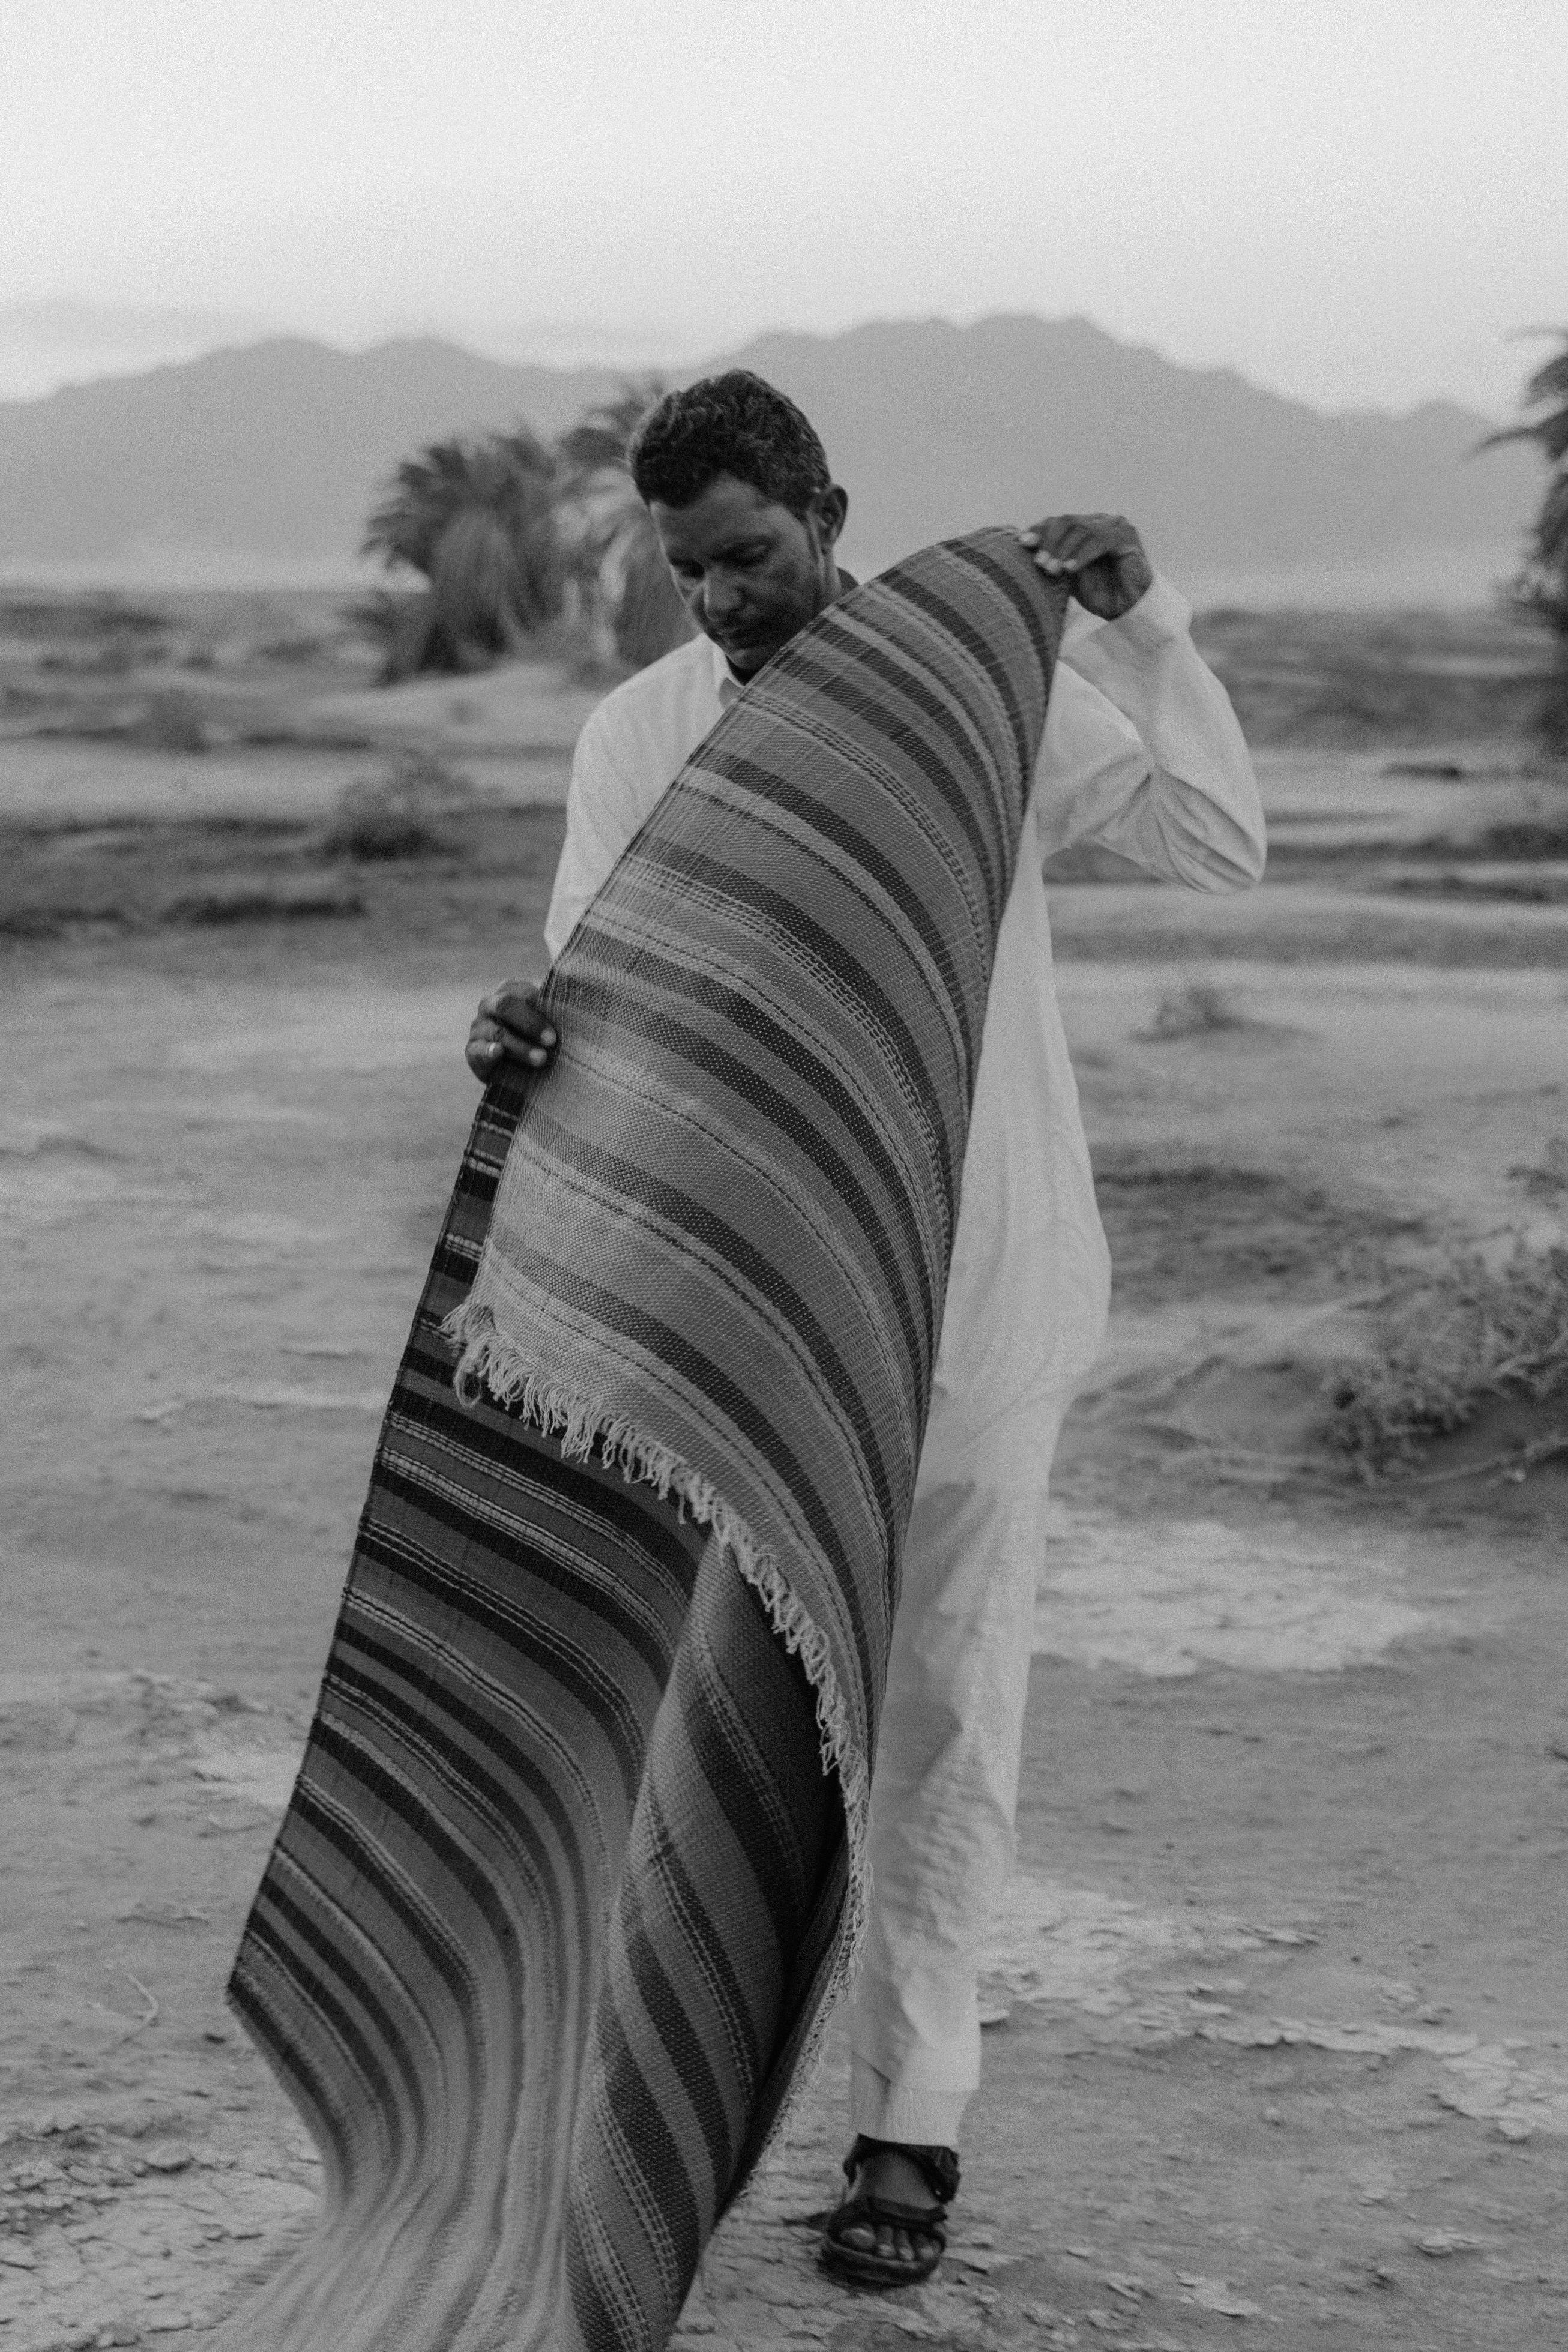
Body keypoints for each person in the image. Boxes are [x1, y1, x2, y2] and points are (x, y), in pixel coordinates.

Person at [465, 372, 1266, 2288]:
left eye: (749, 554)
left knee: (939, 1722)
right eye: (688, 571)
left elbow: (1215, 845)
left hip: (976, 1299)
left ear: (831, 510)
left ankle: (909, 2129)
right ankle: (656, 2119)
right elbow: (600, 994)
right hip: (741, 1318)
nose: (721, 599)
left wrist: (1146, 630)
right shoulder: (641, 730)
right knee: (701, 1718)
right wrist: (516, 1038)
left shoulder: (975, 703)